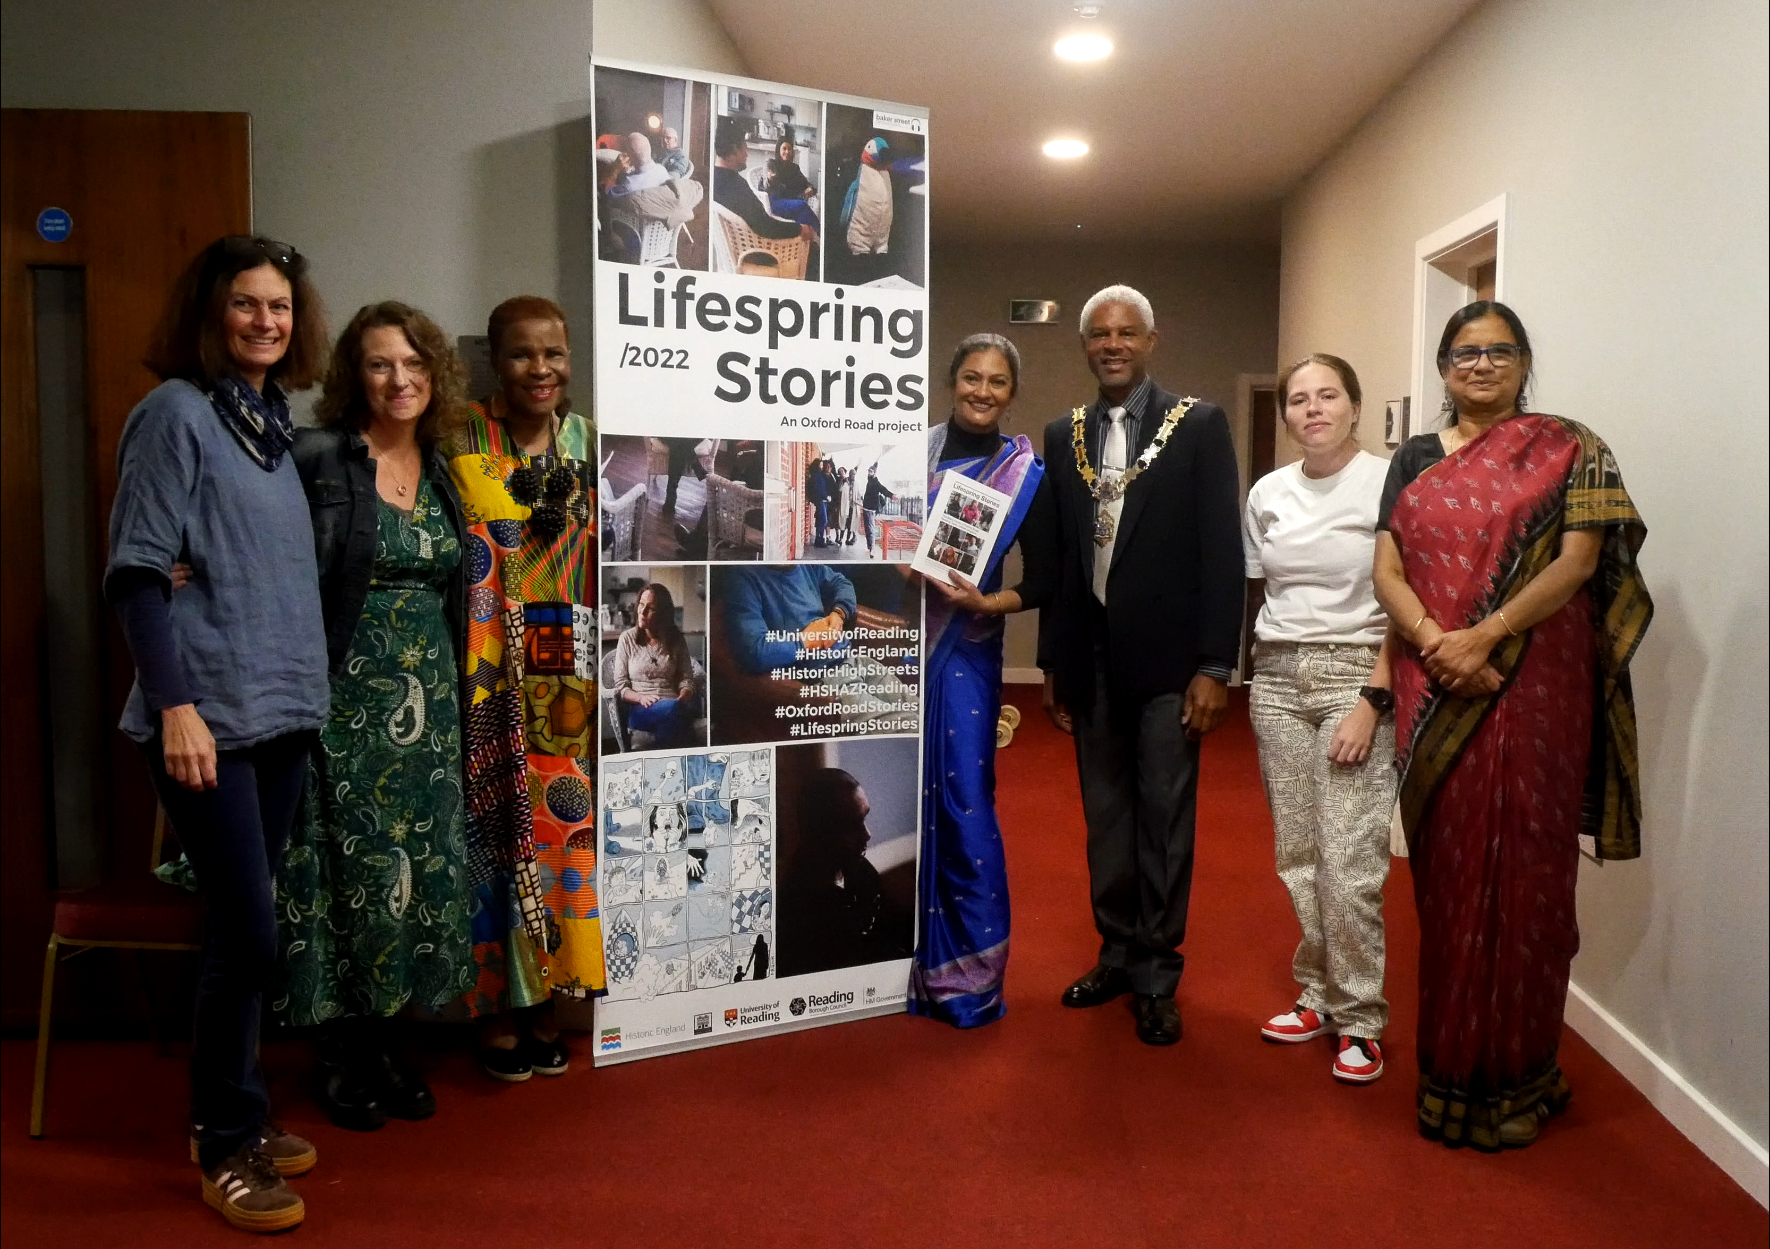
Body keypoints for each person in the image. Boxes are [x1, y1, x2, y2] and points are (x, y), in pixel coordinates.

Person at [1372, 301, 1651, 1149]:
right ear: (1443, 367)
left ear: (1525, 362)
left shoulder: (1571, 446)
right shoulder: (1415, 456)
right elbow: (1385, 563)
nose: (1481, 364)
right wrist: (1434, 641)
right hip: (1435, 681)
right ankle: (1452, 1077)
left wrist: (1486, 635)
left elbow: (1580, 560)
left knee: (1529, 881)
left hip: (1533, 686)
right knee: (1452, 881)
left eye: (1499, 351)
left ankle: (1524, 1073)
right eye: (1464, 352)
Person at [106, 235, 329, 1231]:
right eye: (246, 304)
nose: (266, 321)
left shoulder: (273, 423)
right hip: (205, 717)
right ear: (210, 312)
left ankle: (242, 1106)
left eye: (280, 306)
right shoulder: (175, 414)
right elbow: (137, 573)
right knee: (246, 930)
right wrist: (175, 704)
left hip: (279, 708)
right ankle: (223, 1141)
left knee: (248, 930)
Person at [279, 302, 474, 1130]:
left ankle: (392, 1046)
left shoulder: (444, 467)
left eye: (413, 364)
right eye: (379, 365)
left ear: (435, 374)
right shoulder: (318, 457)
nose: (399, 381)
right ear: (352, 377)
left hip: (430, 708)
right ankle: (341, 1053)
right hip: (341, 700)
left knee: (412, 875)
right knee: (345, 876)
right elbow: (265, 556)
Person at [1035, 285, 1242, 1046]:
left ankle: (1158, 970)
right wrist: (1052, 660)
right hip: (1090, 659)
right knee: (1107, 819)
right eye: (1099, 334)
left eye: (1127, 333)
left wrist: (1216, 664)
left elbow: (1225, 553)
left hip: (1170, 663)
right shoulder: (1065, 433)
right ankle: (1117, 952)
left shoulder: (1200, 425)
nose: (1112, 344)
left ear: (1151, 341)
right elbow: (1060, 557)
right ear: (1085, 346)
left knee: (1163, 819)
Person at [445, 295, 601, 1081]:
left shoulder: (586, 442)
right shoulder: (461, 437)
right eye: (521, 354)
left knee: (556, 830)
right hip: (481, 658)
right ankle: (494, 1005)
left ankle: (547, 999)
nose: (540, 369)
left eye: (554, 354)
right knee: (491, 827)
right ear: (495, 361)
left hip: (561, 657)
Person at [1244, 353, 1398, 1084]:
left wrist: (1375, 697)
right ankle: (1320, 992)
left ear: (1355, 406)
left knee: (1351, 857)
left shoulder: (1388, 481)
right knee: (1298, 851)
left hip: (1354, 673)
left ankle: (1362, 1017)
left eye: (1328, 394)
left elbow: (1407, 595)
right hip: (1275, 677)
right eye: (1299, 399)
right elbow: (1257, 584)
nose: (1312, 409)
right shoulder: (1268, 491)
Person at [909, 333, 1055, 1026]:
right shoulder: (906, 453)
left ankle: (967, 975)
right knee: (902, 796)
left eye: (998, 381)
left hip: (965, 650)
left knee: (964, 802)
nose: (983, 391)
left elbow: (1046, 579)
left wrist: (986, 602)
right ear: (951, 379)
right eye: (972, 377)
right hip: (896, 642)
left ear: (1011, 392)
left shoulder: (1022, 471)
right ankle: (892, 965)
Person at [776, 769, 913, 976]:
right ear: (817, 835)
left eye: (865, 818)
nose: (867, 835)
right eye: (851, 826)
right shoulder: (799, 914)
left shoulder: (860, 870)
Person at [610, 582, 701, 749]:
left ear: (663, 614)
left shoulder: (676, 640)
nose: (642, 612)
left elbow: (686, 678)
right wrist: (641, 698)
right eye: (641, 605)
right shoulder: (627, 639)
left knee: (675, 715)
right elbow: (621, 687)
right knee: (681, 716)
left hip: (673, 703)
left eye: (650, 608)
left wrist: (685, 693)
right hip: (641, 709)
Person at [713, 117, 815, 248]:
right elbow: (765, 226)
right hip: (760, 252)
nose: (747, 153)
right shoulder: (737, 186)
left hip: (737, 247)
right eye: (744, 147)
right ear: (734, 148)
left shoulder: (715, 179)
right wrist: (800, 229)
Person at [842, 136, 894, 259]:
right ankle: (860, 247)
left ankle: (881, 247)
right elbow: (851, 197)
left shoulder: (885, 173)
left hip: (882, 234)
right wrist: (845, 218)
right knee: (861, 255)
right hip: (860, 232)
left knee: (882, 252)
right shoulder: (863, 173)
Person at [765, 137, 819, 232]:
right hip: (775, 202)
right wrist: (770, 180)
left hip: (791, 203)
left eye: (789, 149)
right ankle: (820, 234)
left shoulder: (794, 168)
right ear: (778, 150)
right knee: (801, 205)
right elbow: (764, 185)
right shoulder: (771, 164)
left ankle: (805, 241)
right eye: (784, 148)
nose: (787, 152)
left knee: (802, 216)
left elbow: (807, 184)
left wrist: (811, 189)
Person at [604, 131, 670, 196]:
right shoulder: (662, 170)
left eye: (625, 149)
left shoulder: (629, 185)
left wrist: (615, 169)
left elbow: (606, 194)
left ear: (629, 155)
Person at [860, 462, 898, 554]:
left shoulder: (876, 483)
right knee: (867, 529)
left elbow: (883, 490)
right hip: (866, 508)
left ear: (875, 473)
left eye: (871, 472)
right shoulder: (869, 479)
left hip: (871, 509)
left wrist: (892, 495)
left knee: (870, 529)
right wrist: (876, 463)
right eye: (868, 471)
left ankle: (872, 548)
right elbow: (872, 470)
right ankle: (869, 547)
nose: (869, 473)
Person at [806, 454, 832, 546]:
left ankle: (819, 538)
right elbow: (819, 488)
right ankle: (819, 540)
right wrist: (826, 497)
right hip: (820, 500)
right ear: (817, 465)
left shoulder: (817, 474)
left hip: (820, 500)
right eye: (821, 464)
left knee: (820, 519)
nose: (822, 466)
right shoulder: (817, 475)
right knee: (823, 520)